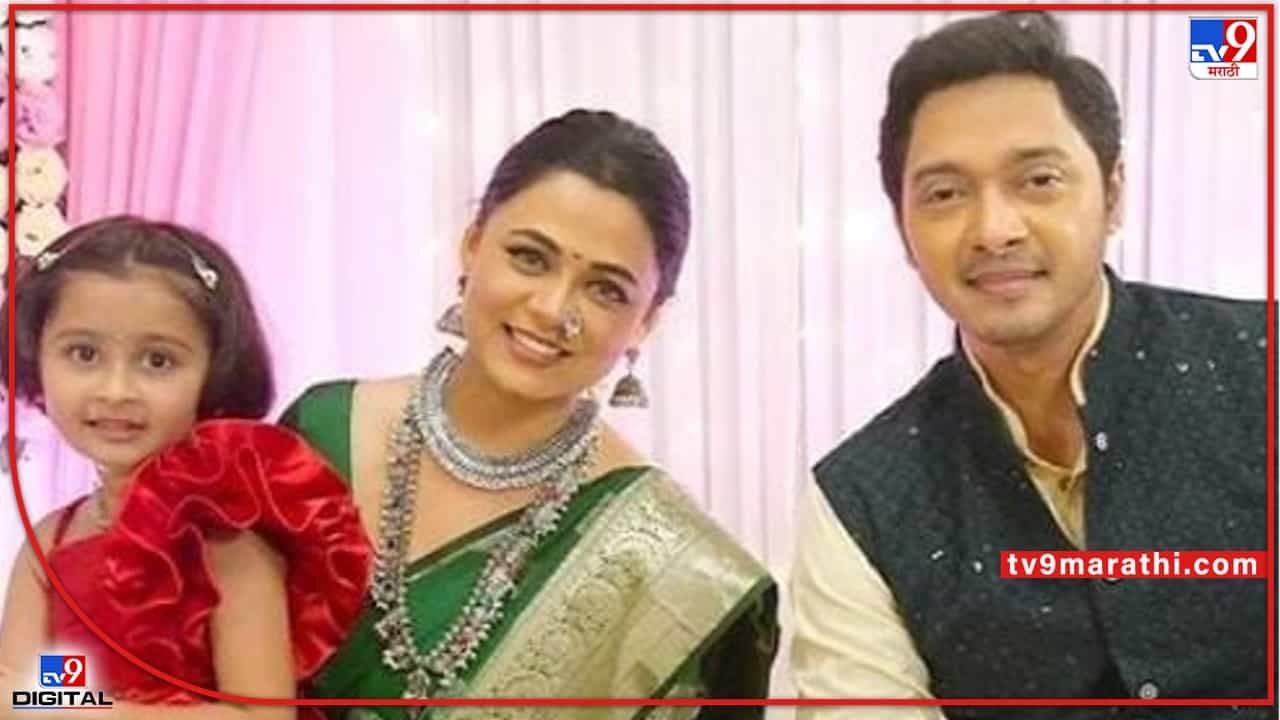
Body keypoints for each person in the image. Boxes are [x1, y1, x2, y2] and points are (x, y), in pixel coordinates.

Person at [790, 11, 1269, 719]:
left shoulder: (1259, 368)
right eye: (945, 194)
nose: (994, 230)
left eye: (1038, 180)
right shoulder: (860, 499)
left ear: (1112, 194)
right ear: (903, 232)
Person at [280, 108, 779, 719]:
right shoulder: (318, 436)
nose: (551, 308)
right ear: (472, 245)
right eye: (530, 257)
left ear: (646, 321)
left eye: (606, 290)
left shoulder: (672, 571)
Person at [0, 216, 373, 719]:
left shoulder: (224, 538)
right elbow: (24, 689)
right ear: (35, 358)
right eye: (83, 354)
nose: (116, 390)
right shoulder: (52, 540)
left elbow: (261, 715)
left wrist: (95, 712)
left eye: (157, 361)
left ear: (214, 372)